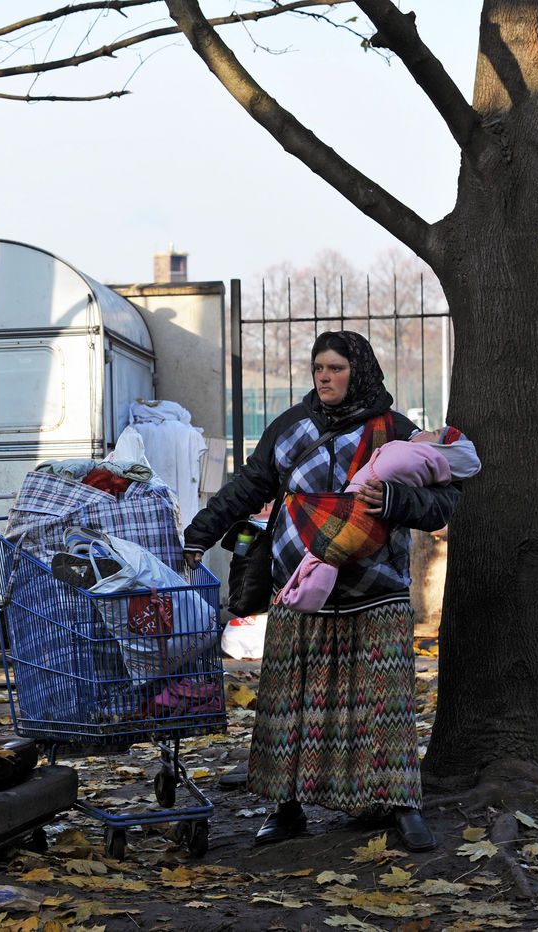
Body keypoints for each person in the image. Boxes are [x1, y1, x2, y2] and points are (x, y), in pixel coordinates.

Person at [182, 331, 462, 852]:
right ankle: (286, 810)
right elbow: (248, 486)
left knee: (386, 709)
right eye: (318, 368)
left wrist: (393, 499)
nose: (325, 377)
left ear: (359, 371)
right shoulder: (291, 427)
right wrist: (198, 536)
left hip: (375, 593)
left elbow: (444, 504)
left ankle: (401, 806)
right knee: (290, 707)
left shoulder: (396, 432)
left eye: (336, 368)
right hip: (300, 593)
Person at [276, 426, 480, 613]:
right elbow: (258, 481)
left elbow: (441, 507)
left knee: (321, 556)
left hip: (378, 601)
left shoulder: (398, 428)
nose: (425, 432)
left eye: (433, 433)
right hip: (292, 605)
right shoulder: (292, 423)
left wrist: (396, 499)